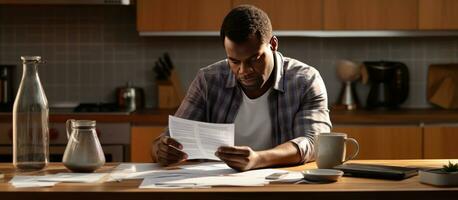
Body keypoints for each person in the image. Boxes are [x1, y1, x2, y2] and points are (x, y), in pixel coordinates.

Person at [151, 5, 331, 171]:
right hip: (217, 186)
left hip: (279, 186)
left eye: (255, 59)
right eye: (234, 61)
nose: (244, 71)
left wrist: (258, 159)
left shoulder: (305, 80)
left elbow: (315, 142)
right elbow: (167, 141)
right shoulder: (208, 80)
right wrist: (160, 150)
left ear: (273, 44)